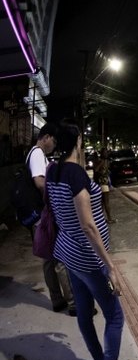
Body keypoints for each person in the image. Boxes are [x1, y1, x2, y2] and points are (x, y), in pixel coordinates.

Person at [46, 121, 138, 360]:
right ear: (77, 142)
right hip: (87, 257)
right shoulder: (75, 173)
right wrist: (109, 266)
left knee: (85, 313)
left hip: (69, 252)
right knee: (115, 316)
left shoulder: (54, 171)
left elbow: (60, 212)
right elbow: (88, 225)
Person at [28, 122, 75, 314]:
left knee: (48, 259)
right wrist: (56, 197)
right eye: (54, 142)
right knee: (60, 256)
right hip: (44, 215)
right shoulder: (37, 153)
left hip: (39, 215)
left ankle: (57, 300)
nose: (54, 146)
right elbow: (40, 182)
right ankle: (73, 302)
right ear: (45, 137)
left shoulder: (36, 154)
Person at [93, 148, 116, 223]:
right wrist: (101, 165)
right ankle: (109, 218)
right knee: (106, 202)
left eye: (107, 152)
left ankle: (101, 219)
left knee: (102, 203)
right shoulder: (101, 161)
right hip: (103, 183)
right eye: (105, 153)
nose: (106, 154)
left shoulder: (107, 161)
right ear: (102, 154)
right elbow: (96, 170)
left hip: (105, 183)